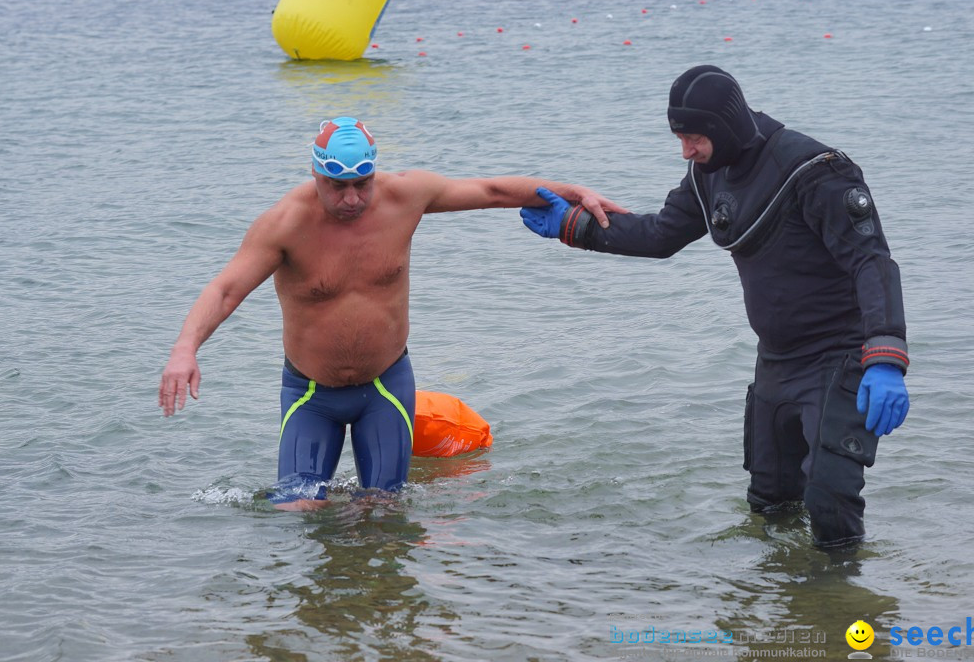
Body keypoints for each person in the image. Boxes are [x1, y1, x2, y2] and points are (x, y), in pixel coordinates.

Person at [520, 66, 910, 547]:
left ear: (724, 127)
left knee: (829, 500)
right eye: (680, 138)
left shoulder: (816, 171)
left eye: (695, 138)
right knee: (770, 504)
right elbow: (661, 235)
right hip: (777, 361)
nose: (686, 151)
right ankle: (778, 598)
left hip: (840, 357)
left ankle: (842, 607)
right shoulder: (709, 173)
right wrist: (575, 228)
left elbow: (872, 262)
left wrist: (886, 357)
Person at [159, 116, 626, 511]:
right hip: (310, 396)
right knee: (297, 508)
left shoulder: (406, 196)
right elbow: (224, 291)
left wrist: (575, 191)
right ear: (316, 175)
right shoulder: (284, 225)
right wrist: (186, 348)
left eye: (362, 184)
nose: (352, 199)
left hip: (385, 385)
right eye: (338, 187)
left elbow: (491, 190)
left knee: (384, 513)